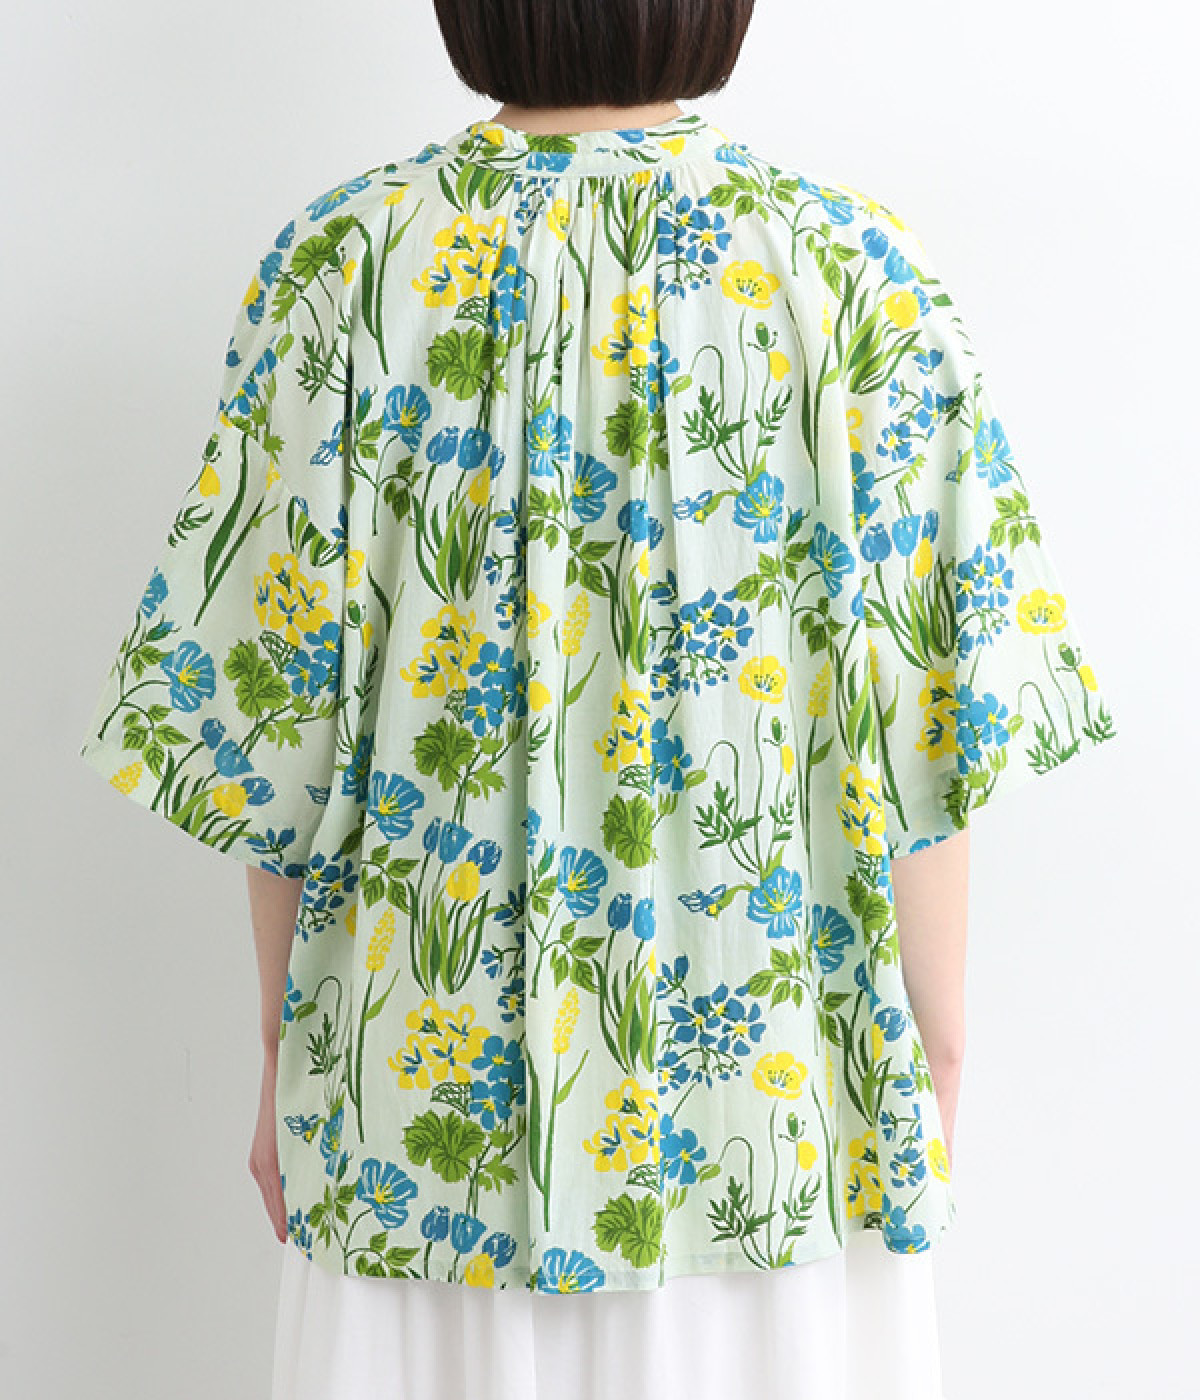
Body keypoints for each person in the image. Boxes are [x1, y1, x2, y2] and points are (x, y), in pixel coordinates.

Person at [77, 1, 1119, 1396]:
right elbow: (940, 723)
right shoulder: (850, 268)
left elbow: (269, 740)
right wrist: (934, 1053)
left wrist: (283, 1055)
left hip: (419, 1133)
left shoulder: (345, 266)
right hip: (781, 1129)